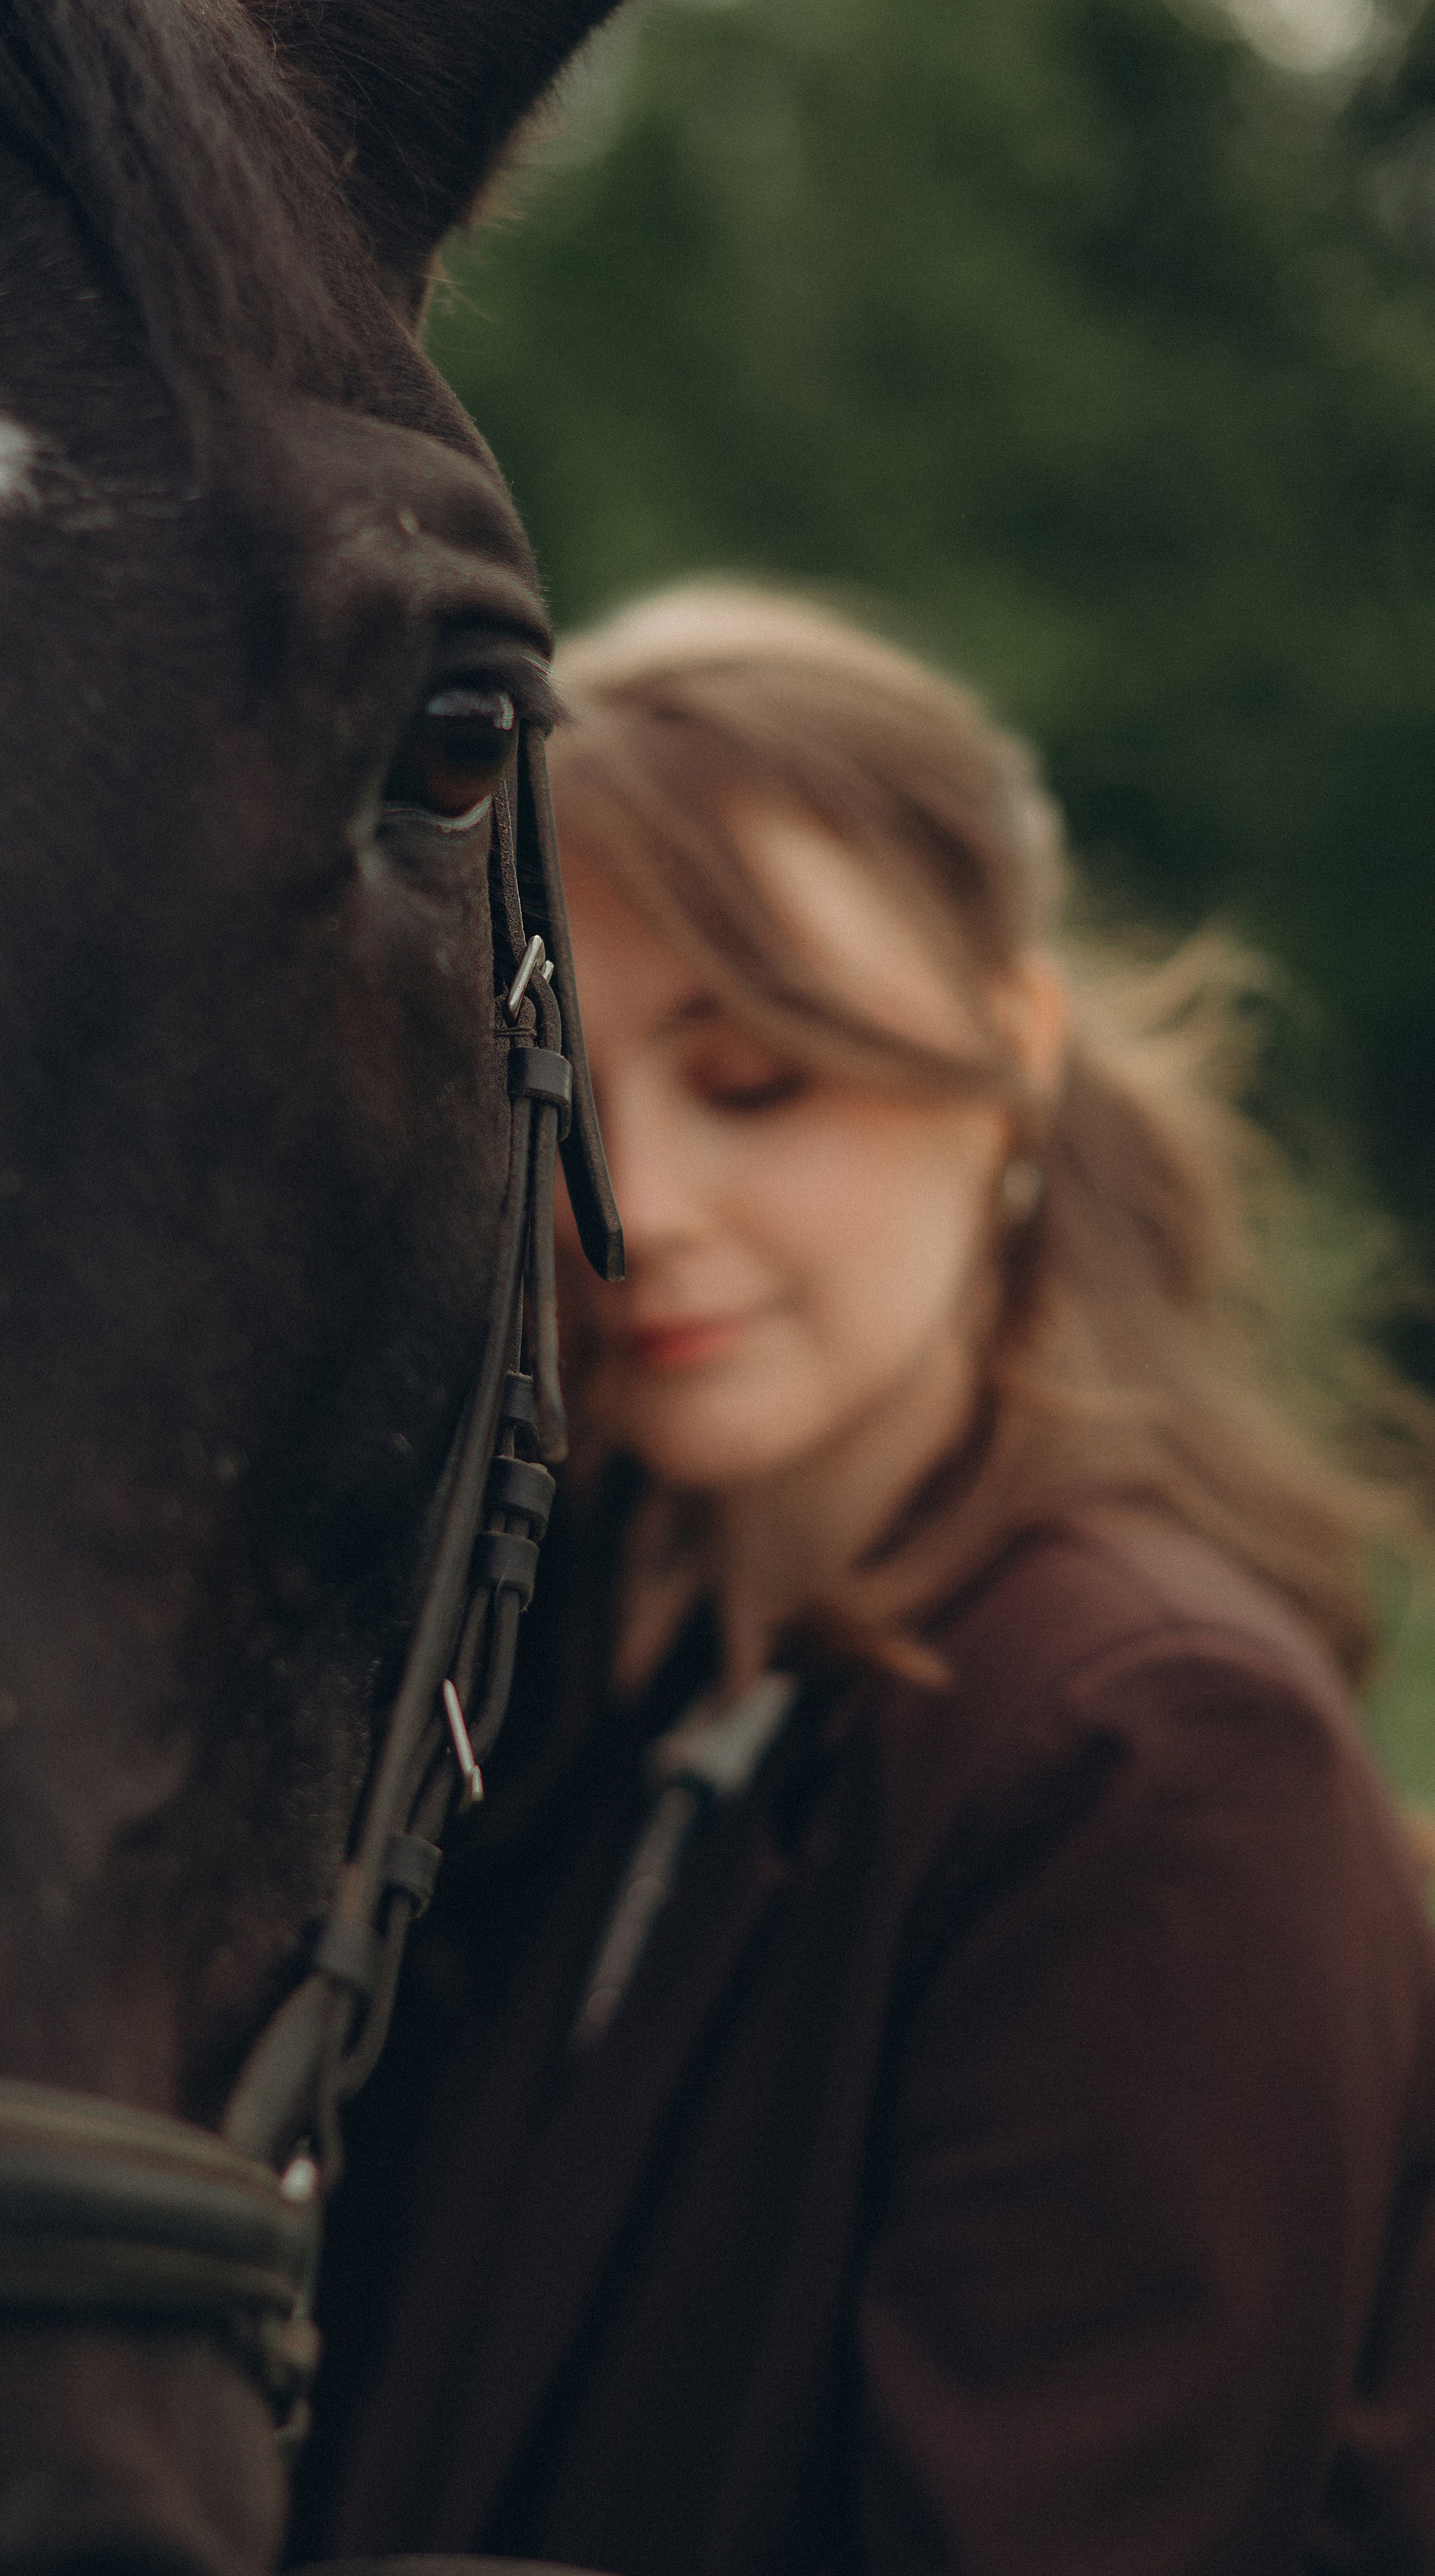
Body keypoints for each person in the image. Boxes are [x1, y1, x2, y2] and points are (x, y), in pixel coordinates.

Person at [295, 583, 1435, 2576]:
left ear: (1012, 1056)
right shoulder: (552, 1672)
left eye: (758, 1083)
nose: (636, 1207)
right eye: (567, 1097)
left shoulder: (1148, 1755)